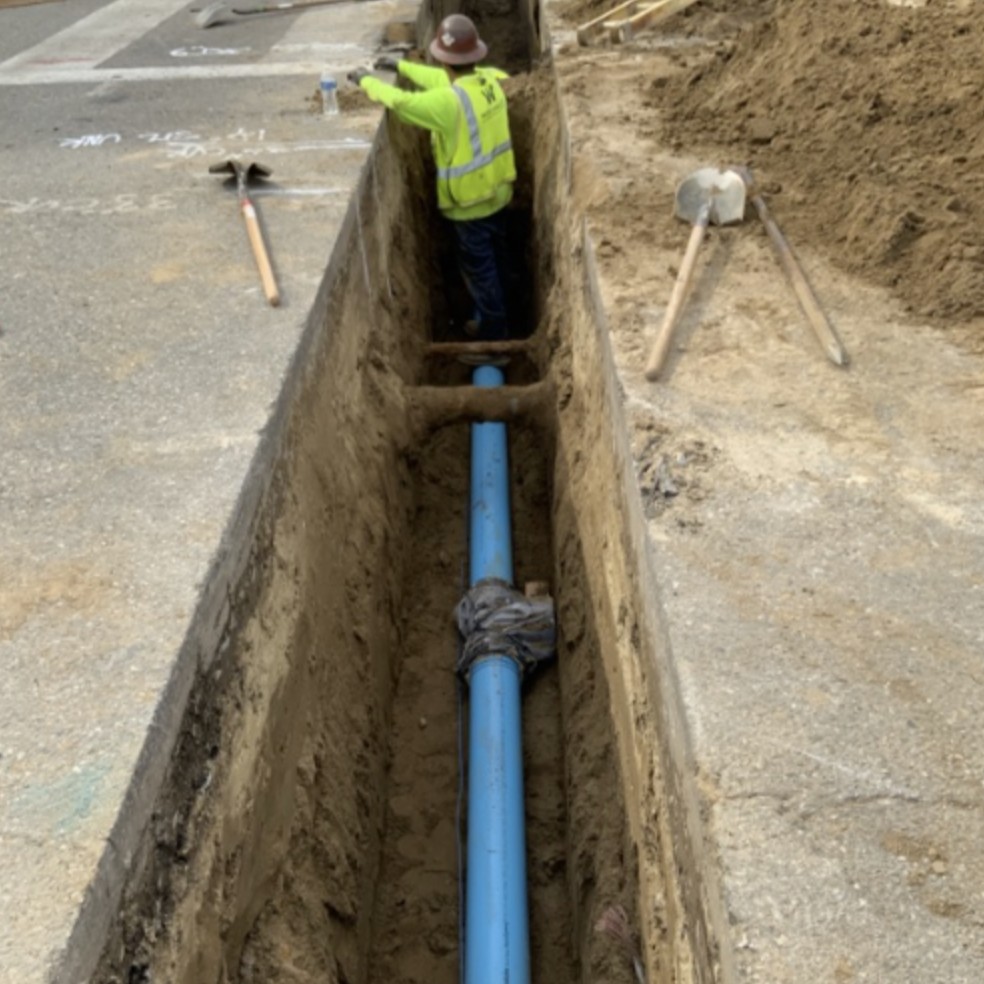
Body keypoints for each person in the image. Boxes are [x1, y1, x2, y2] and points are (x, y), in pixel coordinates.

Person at [348, 15, 516, 342]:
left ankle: (495, 337)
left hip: (470, 208)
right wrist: (403, 68)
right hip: (499, 195)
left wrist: (368, 81)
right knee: (501, 263)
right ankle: (506, 313)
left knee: (482, 276)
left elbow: (403, 102)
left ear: (443, 59)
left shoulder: (448, 104)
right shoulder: (491, 79)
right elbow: (443, 83)